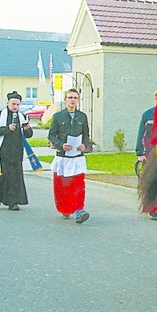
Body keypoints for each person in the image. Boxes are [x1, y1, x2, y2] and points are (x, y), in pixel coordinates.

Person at [48, 88, 91, 223]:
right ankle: (65, 208)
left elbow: (85, 134)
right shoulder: (58, 117)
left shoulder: (82, 117)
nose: (72, 100)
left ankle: (79, 210)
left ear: (78, 100)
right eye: (70, 97)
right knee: (63, 185)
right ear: (65, 99)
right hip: (63, 156)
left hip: (77, 156)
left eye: (75, 98)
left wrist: (84, 144)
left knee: (78, 184)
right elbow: (52, 135)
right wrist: (61, 144)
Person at [0, 91, 33, 211]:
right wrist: (7, 129)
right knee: (2, 177)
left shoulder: (22, 117)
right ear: (8, 103)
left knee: (15, 178)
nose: (16, 107)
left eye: (18, 105)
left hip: (17, 152)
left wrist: (28, 129)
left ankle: (13, 202)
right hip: (2, 152)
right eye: (13, 104)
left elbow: (28, 135)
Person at [135, 88, 157, 220]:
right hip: (151, 153)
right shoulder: (147, 115)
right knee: (152, 180)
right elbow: (141, 134)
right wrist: (140, 152)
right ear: (155, 99)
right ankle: (153, 207)